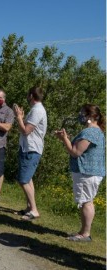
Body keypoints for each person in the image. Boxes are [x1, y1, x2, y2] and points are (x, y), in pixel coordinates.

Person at [54, 104, 105, 241]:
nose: (80, 116)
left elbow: (75, 152)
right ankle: (83, 231)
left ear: (91, 116)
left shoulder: (90, 132)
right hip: (90, 172)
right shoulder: (96, 131)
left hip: (86, 172)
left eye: (83, 113)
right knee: (86, 201)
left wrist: (64, 139)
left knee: (86, 202)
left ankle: (85, 234)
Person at [13, 86, 47, 221]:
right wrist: (21, 117)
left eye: (28, 95)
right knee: (28, 179)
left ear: (32, 96)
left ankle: (34, 210)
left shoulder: (37, 110)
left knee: (23, 180)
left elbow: (26, 130)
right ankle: (29, 207)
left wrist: (19, 117)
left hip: (32, 149)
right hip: (27, 148)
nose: (27, 97)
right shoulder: (35, 110)